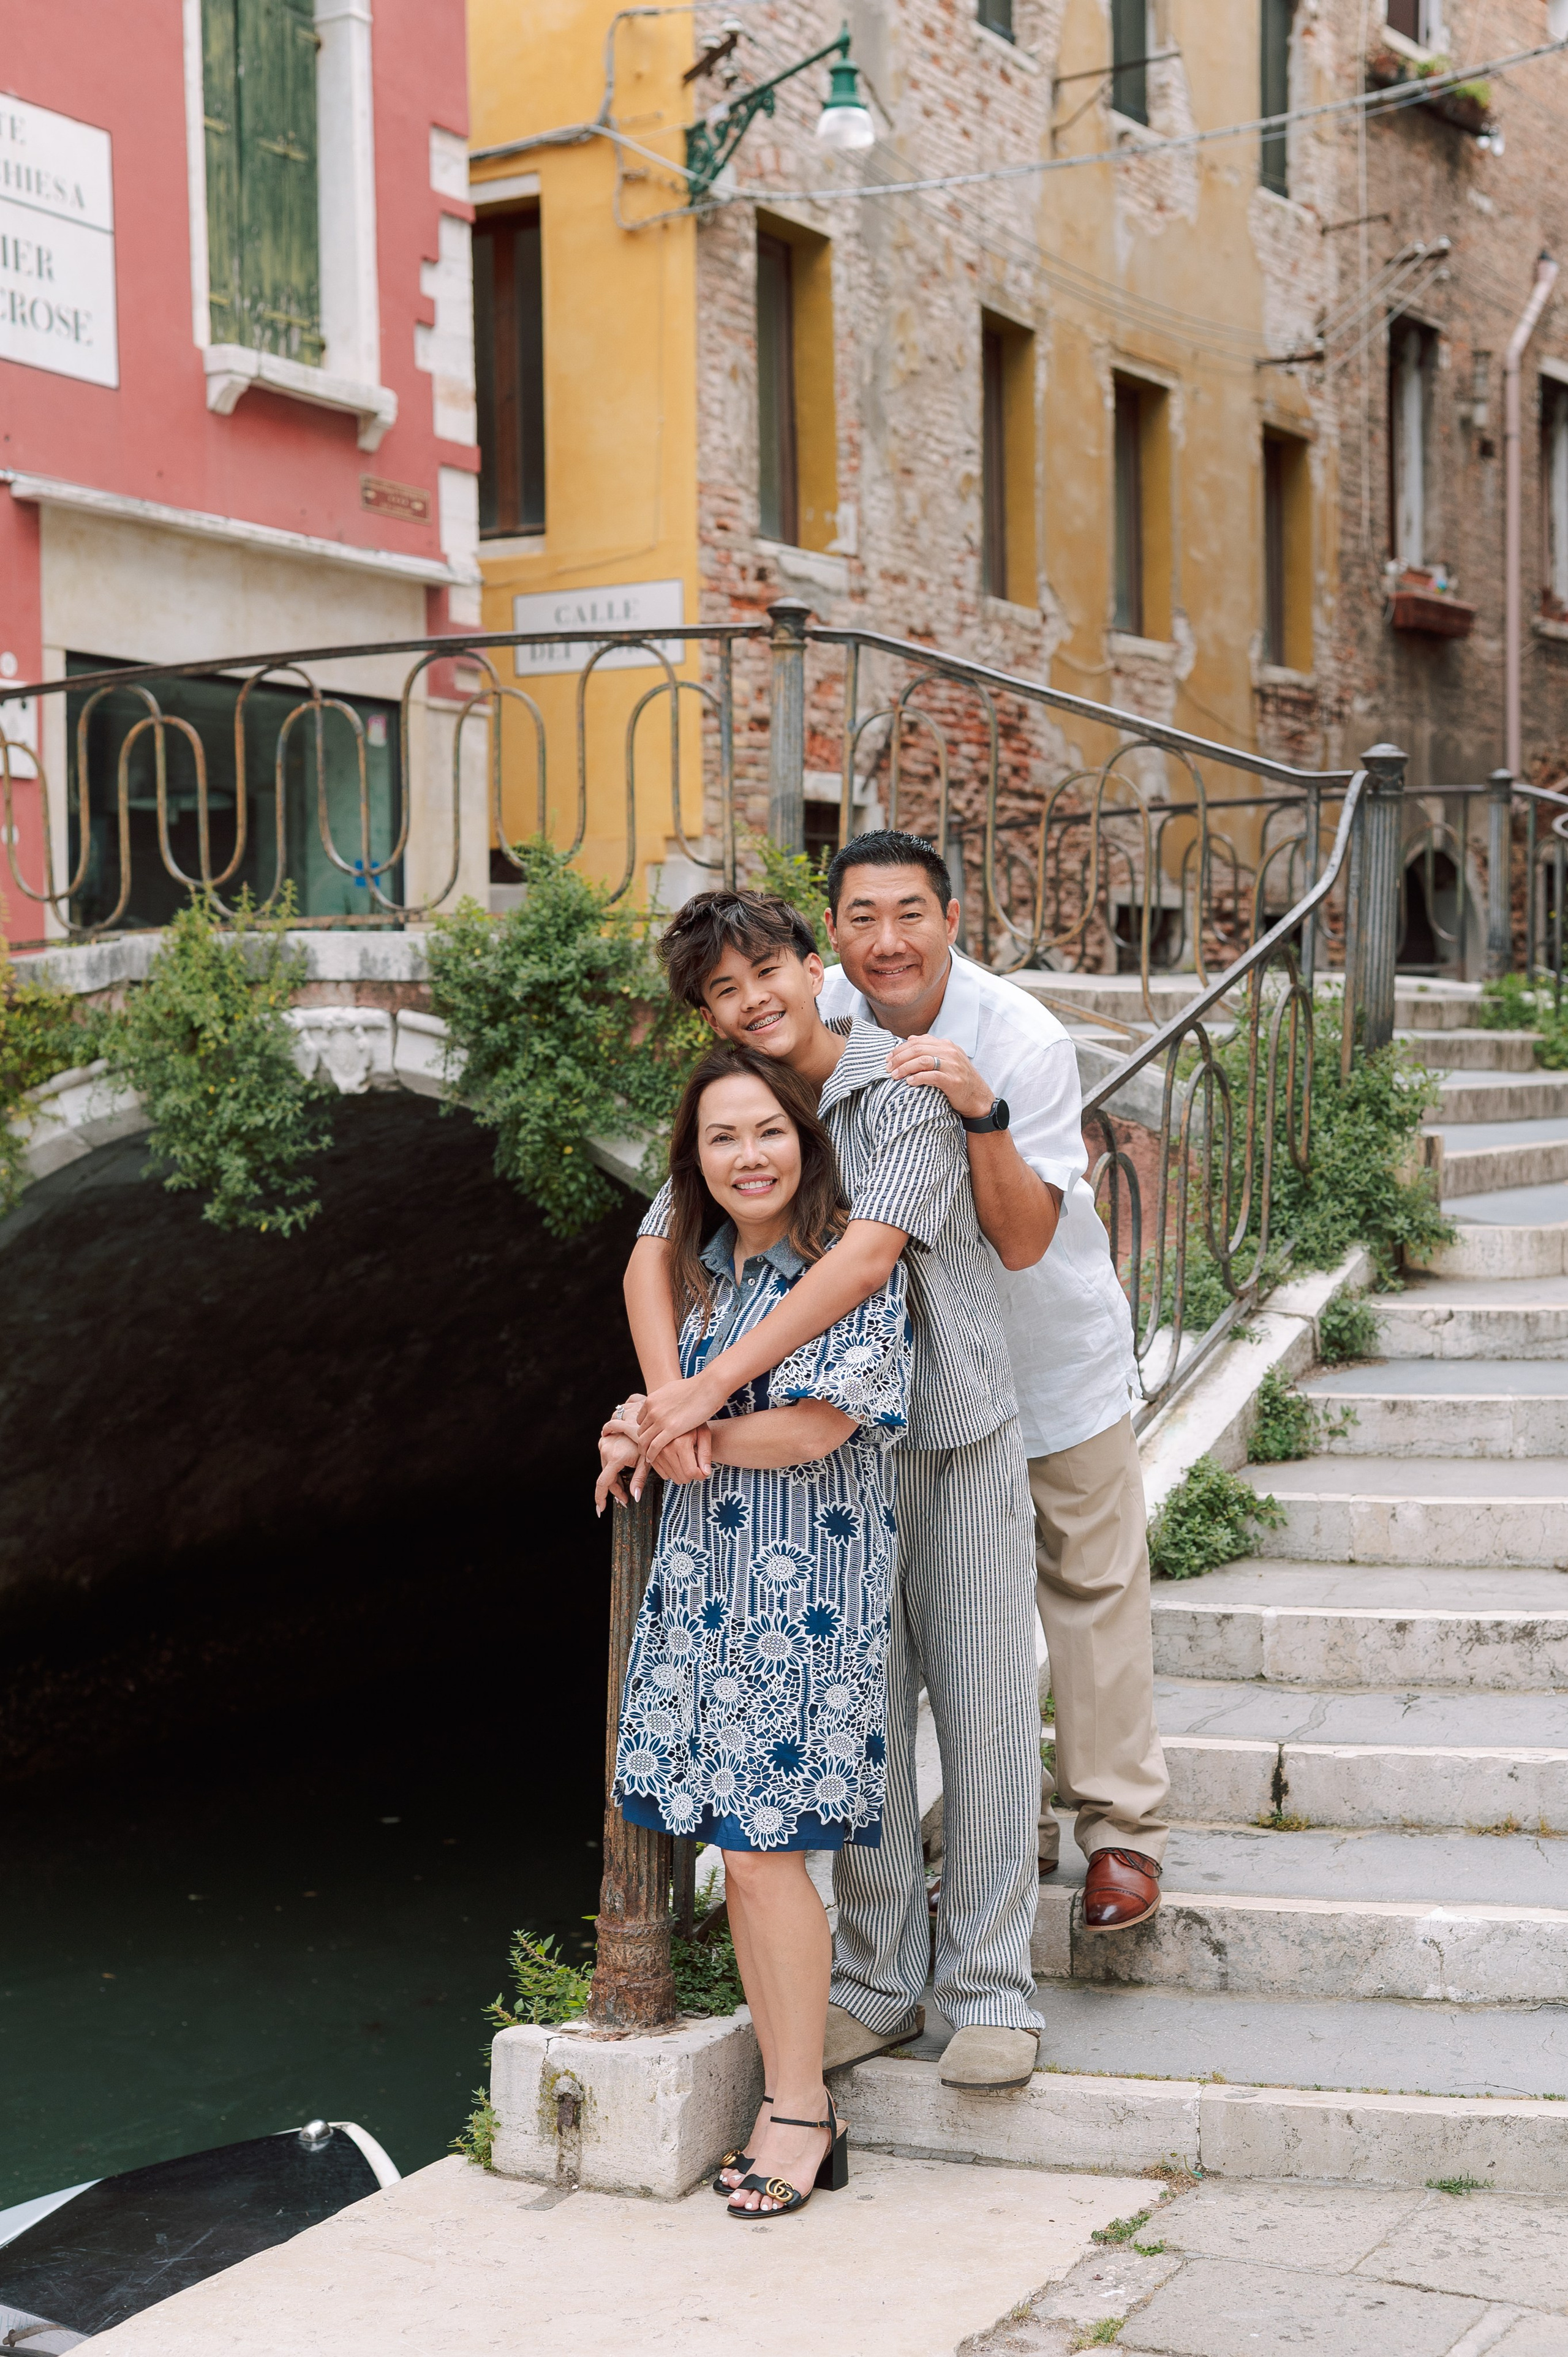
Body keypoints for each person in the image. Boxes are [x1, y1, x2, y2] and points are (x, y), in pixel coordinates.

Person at [625, 891, 1046, 2100]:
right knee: (861, 1717)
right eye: (720, 988)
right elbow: (651, 1254)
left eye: (765, 972)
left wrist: (702, 1391)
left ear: (813, 968)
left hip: (943, 1435)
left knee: (978, 1711)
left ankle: (990, 1990)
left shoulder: (899, 1083)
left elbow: (865, 1257)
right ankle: (873, 1983)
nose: (750, 1000)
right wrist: (667, 1403)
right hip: (825, 1465)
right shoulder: (743, 1105)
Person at [817, 830, 1169, 1939]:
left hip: (1049, 1351)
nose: (888, 941)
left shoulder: (1021, 1037)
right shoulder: (822, 1012)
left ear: (953, 920)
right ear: (833, 929)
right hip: (920, 1378)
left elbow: (1023, 1239)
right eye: (863, 916)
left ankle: (1121, 1833)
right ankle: (996, 1835)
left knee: (1089, 1584)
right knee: (953, 1611)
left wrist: (978, 1112)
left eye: (911, 914)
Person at [597, 1040, 911, 2218]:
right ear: (696, 1166)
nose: (748, 1155)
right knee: (742, 1856)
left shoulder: (851, 1264)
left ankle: (800, 2115)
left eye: (769, 1131)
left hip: (804, 1596)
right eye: (722, 1139)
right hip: (707, 1587)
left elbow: (818, 1429)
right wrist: (648, 1422)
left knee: (768, 1856)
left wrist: (674, 1433)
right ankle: (792, 2098)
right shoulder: (705, 1271)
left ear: (808, 1140)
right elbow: (670, 1380)